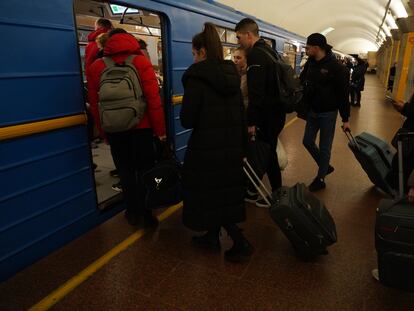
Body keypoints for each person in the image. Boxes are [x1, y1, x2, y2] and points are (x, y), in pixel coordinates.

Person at [180, 22, 253, 262]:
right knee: (220, 193)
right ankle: (212, 237)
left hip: (206, 148)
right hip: (230, 146)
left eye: (193, 53)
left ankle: (240, 242)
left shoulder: (196, 79)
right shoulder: (233, 75)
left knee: (210, 195)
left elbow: (187, 120)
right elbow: (241, 115)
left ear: (201, 52)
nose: (193, 57)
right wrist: (243, 147)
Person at [88, 29, 166, 227]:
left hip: (115, 130)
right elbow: (153, 100)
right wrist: (160, 130)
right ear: (130, 40)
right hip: (142, 128)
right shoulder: (140, 62)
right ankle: (147, 214)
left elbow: (95, 103)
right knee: (145, 170)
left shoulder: (97, 66)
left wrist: (104, 131)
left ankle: (132, 212)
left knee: (125, 171)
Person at [235, 18, 286, 207]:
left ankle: (266, 193)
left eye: (239, 37)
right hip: (277, 113)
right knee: (269, 153)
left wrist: (251, 123)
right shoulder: (269, 50)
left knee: (263, 155)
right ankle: (275, 193)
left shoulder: (256, 55)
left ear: (249, 35)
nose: (238, 41)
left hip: (267, 117)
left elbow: (256, 94)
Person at [300, 33, 350, 192]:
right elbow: (302, 80)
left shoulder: (336, 68)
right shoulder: (310, 63)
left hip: (328, 113)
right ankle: (325, 166)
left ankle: (321, 178)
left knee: (324, 147)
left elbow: (343, 95)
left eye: (308, 48)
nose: (306, 50)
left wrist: (345, 119)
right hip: (312, 111)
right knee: (307, 141)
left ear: (316, 48)